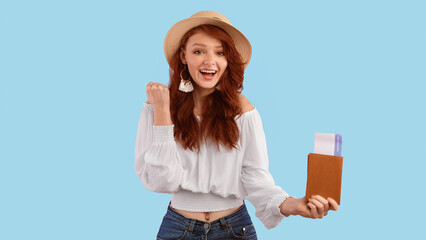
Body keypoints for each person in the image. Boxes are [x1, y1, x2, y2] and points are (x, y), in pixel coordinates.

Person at [135, 11, 339, 240]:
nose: (209, 61)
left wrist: (293, 205)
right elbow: (162, 182)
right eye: (198, 51)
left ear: (227, 60)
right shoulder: (156, 107)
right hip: (178, 229)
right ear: (183, 56)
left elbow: (255, 178)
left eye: (220, 53)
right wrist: (163, 112)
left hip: (234, 228)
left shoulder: (243, 111)